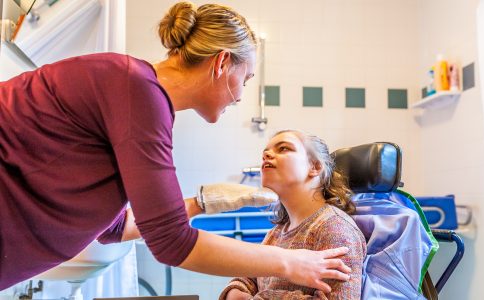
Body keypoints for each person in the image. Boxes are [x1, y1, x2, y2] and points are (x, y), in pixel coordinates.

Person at [0, 2, 352, 291]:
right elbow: (170, 242)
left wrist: (201, 203)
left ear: (316, 169)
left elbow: (113, 228)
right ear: (221, 62)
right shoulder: (136, 90)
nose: (242, 94)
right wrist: (291, 263)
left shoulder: (137, 92)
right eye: (244, 79)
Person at [219, 130, 367, 299]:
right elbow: (246, 278)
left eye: (283, 148)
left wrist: (259, 297)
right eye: (265, 152)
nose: (266, 154)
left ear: (315, 167)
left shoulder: (335, 229)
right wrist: (235, 292)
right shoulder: (276, 233)